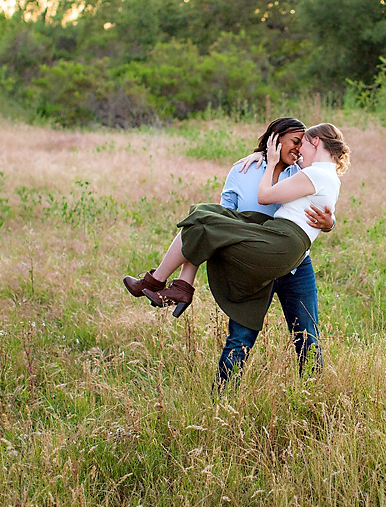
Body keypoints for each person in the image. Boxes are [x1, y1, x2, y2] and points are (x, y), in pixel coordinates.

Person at [123, 121, 351, 386]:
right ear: (274, 142)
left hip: (293, 263)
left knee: (306, 335)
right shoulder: (243, 170)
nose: (299, 150)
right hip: (251, 255)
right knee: (240, 336)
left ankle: (315, 398)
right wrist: (266, 160)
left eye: (303, 143)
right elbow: (224, 215)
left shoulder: (301, 170)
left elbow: (321, 204)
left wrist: (330, 223)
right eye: (295, 142)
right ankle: (222, 396)